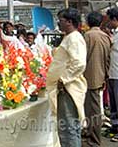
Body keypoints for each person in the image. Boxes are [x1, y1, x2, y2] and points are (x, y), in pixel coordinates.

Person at [46, 8, 87, 147]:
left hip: (68, 88)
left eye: (61, 20)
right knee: (67, 127)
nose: (58, 23)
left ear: (69, 22)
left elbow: (79, 63)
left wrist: (63, 79)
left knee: (69, 128)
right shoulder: (69, 37)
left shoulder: (74, 38)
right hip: (65, 87)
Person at [82, 11, 112, 147]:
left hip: (89, 77)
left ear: (88, 22)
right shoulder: (105, 37)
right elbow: (108, 59)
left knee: (92, 110)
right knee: (94, 109)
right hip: (100, 76)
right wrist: (105, 75)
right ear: (100, 23)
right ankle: (92, 135)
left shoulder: (87, 36)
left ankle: (94, 140)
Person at [106, 7, 118, 142]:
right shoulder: (114, 33)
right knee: (113, 103)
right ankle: (115, 127)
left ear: (115, 19)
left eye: (109, 20)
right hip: (112, 73)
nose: (108, 22)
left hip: (117, 73)